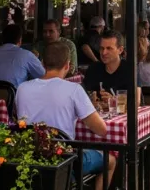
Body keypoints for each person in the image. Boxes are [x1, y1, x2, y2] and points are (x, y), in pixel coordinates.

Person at [16, 42, 116, 190]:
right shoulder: (73, 89)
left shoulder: (22, 88)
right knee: (111, 160)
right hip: (65, 160)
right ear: (68, 65)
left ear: (42, 63)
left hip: (30, 157)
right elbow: (101, 129)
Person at [0, 24, 45, 88]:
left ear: (3, 39)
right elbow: (44, 76)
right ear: (20, 40)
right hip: (13, 96)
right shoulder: (26, 55)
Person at [82, 30, 134, 95]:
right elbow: (84, 96)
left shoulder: (131, 71)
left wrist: (113, 101)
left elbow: (136, 101)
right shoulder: (93, 69)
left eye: (109, 48)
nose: (104, 53)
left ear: (120, 50)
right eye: (102, 48)